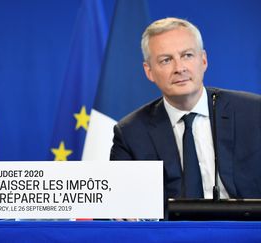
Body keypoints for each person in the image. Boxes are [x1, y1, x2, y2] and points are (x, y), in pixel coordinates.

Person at [110, 17, 261, 200]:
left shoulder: (253, 113)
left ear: (203, 60)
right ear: (149, 71)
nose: (179, 68)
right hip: (172, 228)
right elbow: (118, 204)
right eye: (166, 60)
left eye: (187, 55)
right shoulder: (131, 133)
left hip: (246, 227)